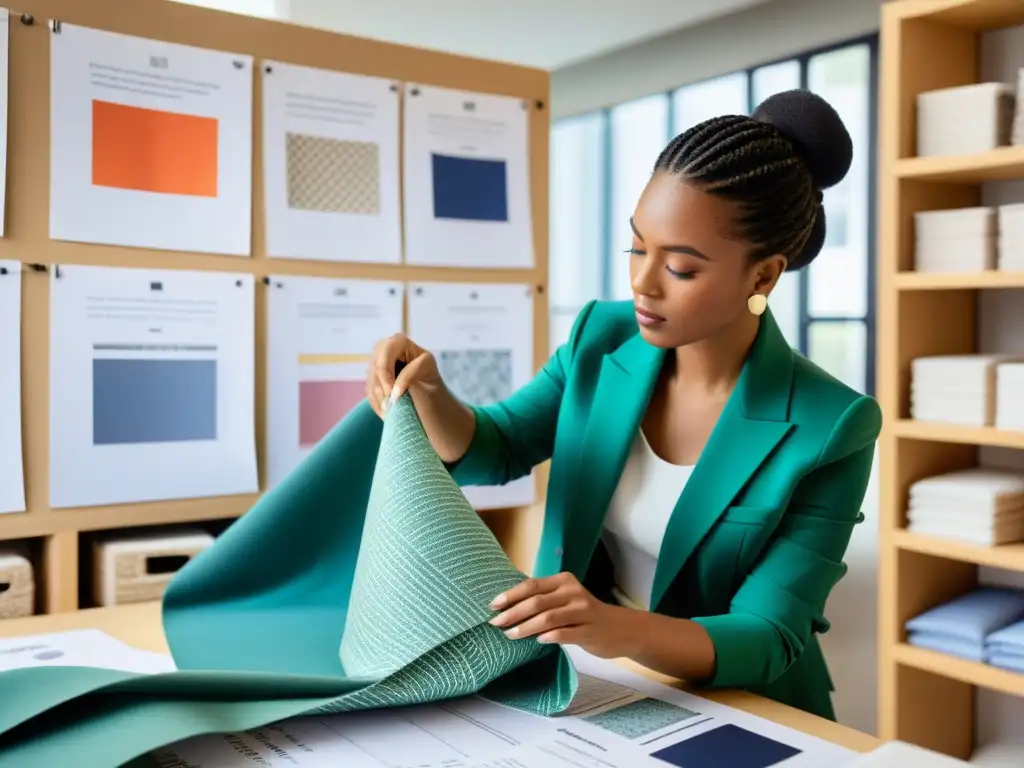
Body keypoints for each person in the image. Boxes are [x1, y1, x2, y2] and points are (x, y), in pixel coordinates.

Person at [365, 89, 881, 722]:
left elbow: (769, 634)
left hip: (741, 705)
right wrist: (429, 393)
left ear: (763, 277)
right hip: (593, 680)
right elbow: (495, 449)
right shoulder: (599, 338)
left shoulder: (833, 424)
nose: (642, 282)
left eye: (682, 268)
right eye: (637, 248)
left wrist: (619, 628)